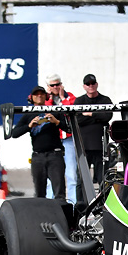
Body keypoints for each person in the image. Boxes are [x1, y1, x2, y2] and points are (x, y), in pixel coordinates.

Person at [11, 85, 70, 200]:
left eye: (42, 94)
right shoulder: (28, 114)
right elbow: (14, 133)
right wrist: (29, 126)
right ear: (31, 98)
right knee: (39, 193)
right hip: (38, 157)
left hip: (55, 155)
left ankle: (61, 210)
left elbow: (69, 129)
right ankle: (41, 211)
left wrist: (56, 122)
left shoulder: (54, 111)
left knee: (59, 192)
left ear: (46, 96)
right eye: (36, 94)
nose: (39, 96)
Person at [75, 73, 113, 191]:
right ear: (84, 86)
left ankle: (103, 200)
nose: (90, 86)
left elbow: (107, 116)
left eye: (92, 83)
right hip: (84, 148)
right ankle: (80, 201)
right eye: (88, 84)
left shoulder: (105, 100)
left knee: (103, 179)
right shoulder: (79, 101)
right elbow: (78, 120)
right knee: (81, 180)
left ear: (96, 84)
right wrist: (98, 117)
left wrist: (90, 114)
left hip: (100, 147)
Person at [45, 74, 77, 203]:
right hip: (53, 141)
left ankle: (73, 203)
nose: (55, 87)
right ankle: (49, 202)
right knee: (51, 176)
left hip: (68, 139)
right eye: (52, 85)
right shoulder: (45, 99)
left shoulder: (70, 96)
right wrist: (50, 99)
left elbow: (71, 110)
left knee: (72, 174)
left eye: (57, 84)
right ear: (48, 86)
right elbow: (46, 111)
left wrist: (63, 98)